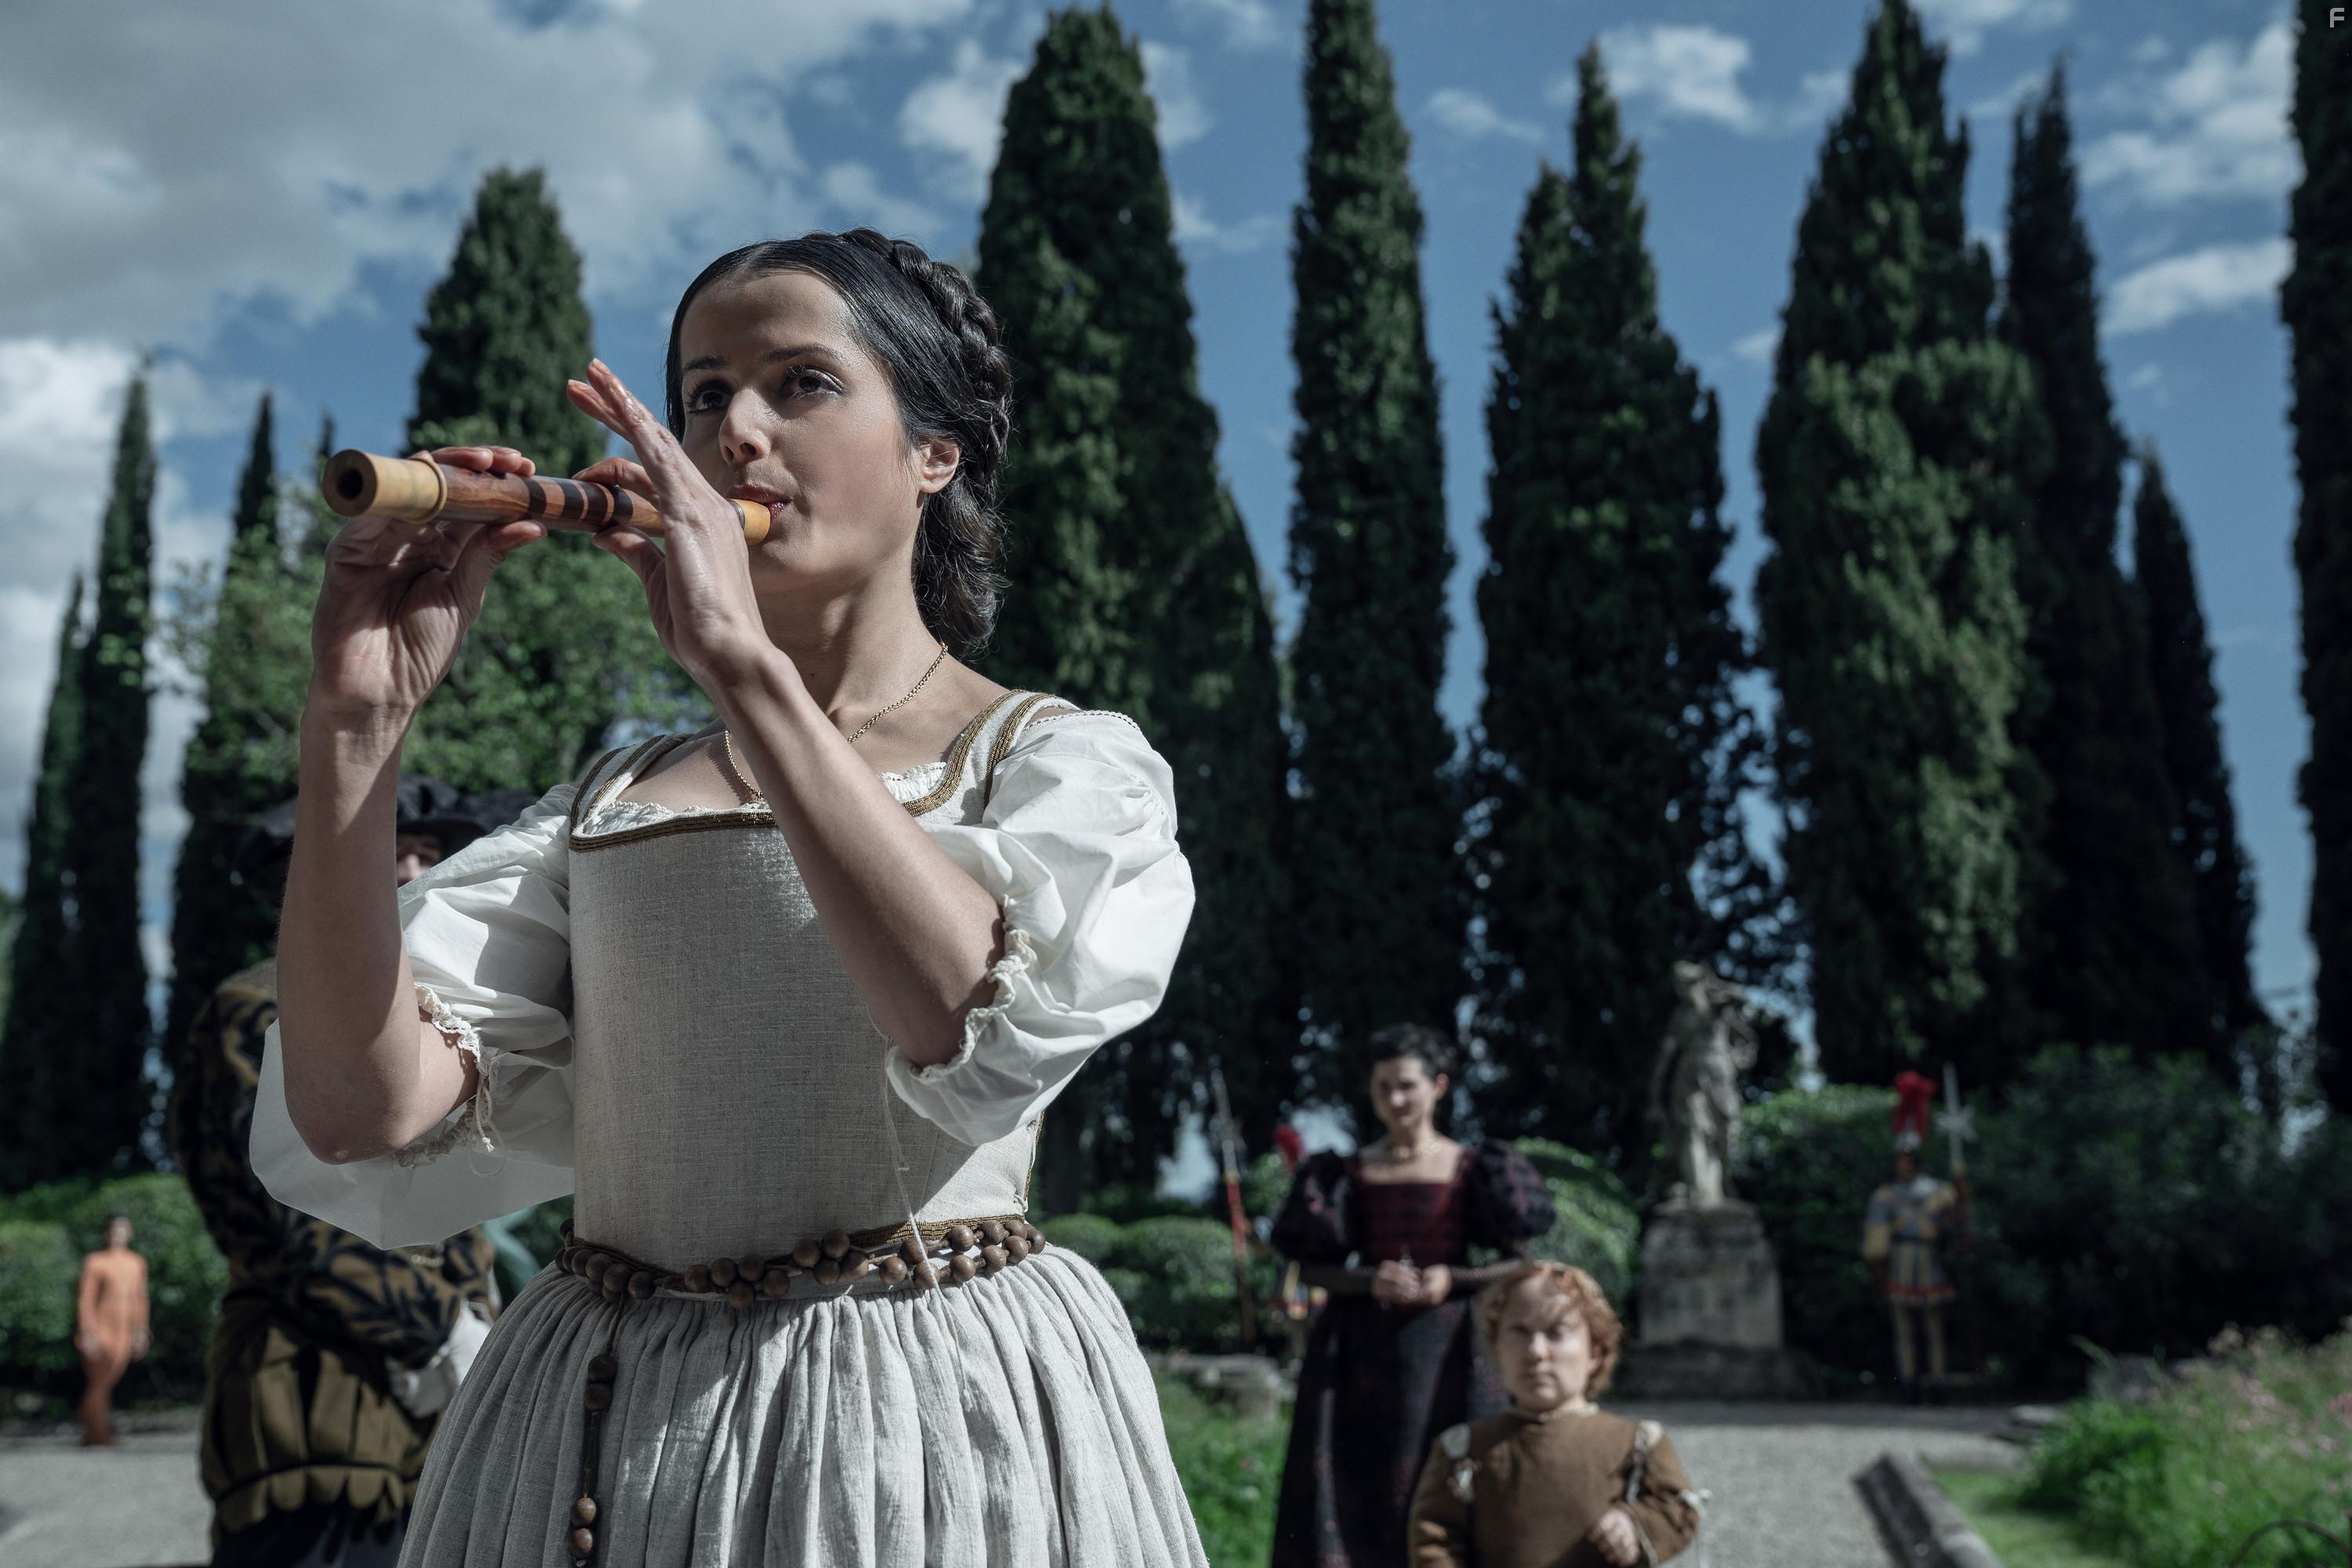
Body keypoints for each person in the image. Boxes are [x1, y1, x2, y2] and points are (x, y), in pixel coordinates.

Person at [251, 230, 1204, 1565]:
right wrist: (355, 728)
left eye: (801, 383)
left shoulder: (1053, 764)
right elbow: (361, 1111)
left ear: (935, 452)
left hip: (918, 1423)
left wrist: (743, 669)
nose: (735, 434)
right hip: (606, 1433)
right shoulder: (602, 804)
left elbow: (962, 1026)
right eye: (704, 396)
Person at [171, 779, 514, 1566]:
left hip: (440, 1430)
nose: (411, 871)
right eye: (388, 852)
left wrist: (481, 1326)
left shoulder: (430, 1015)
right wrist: (438, 1331)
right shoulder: (256, 1008)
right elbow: (280, 1219)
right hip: (313, 1411)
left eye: (426, 854)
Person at [1270, 1025, 1557, 1567]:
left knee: (1451, 1473)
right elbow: (1310, 1269)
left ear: (1438, 1086)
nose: (1396, 1099)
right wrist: (1368, 1279)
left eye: (1407, 1086)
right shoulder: (1346, 1173)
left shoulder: (1473, 1168)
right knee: (1362, 1485)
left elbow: (1519, 1262)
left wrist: (1453, 1278)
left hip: (1451, 1357)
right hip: (1357, 1359)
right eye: (1384, 1088)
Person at [1406, 1263, 1700, 1566]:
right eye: (1520, 1332)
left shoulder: (1636, 1443)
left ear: (1595, 1352)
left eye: (1556, 1332)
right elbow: (1434, 1539)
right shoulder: (1464, 1449)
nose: (1536, 1351)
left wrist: (1635, 1525)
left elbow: (1680, 1508)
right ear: (1496, 1349)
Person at [1862, 1070, 1969, 1402]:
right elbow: (1877, 1242)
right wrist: (1880, 1272)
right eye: (1901, 1160)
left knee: (1933, 1329)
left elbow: (1958, 1224)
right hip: (1901, 1262)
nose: (1905, 1165)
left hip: (1929, 1261)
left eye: (1910, 1160)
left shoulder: (1938, 1191)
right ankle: (1908, 1382)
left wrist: (1961, 1195)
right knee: (1904, 1331)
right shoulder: (1885, 1197)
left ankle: (1938, 1382)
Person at [74, 1213, 150, 1446]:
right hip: (101, 1328)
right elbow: (86, 1300)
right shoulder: (95, 1262)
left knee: (105, 1383)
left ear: (130, 1232)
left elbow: (140, 1298)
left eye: (123, 1229)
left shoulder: (137, 1262)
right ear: (106, 1233)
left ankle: (92, 1432)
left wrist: (141, 1330)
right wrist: (88, 1331)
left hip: (124, 1329)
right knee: (100, 1382)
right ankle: (99, 1432)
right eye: (114, 1229)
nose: (118, 1234)